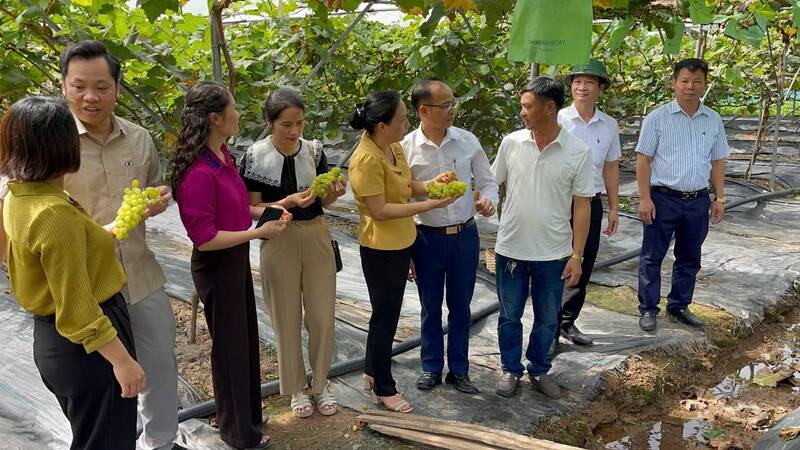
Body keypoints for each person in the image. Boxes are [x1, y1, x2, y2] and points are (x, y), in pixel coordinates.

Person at [1, 96, 145, 449]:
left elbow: (66, 252)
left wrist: (113, 227)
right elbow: (78, 310)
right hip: (87, 348)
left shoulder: (18, 198)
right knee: (108, 441)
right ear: (63, 146)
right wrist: (123, 361)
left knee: (94, 437)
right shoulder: (53, 212)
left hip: (55, 344)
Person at [57, 40, 181, 450]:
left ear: (117, 88)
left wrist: (156, 200)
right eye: (79, 86)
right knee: (102, 384)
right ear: (63, 87)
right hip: (88, 288)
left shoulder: (139, 139)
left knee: (160, 368)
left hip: (140, 276)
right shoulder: (52, 144)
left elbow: (148, 192)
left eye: (101, 86)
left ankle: (160, 442)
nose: (90, 97)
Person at [171, 81, 286, 450]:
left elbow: (238, 210)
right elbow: (205, 238)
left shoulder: (222, 157)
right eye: (233, 108)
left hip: (233, 259)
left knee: (244, 340)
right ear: (216, 118)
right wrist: (258, 234)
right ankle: (238, 433)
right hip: (216, 265)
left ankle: (245, 417)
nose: (239, 114)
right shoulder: (198, 173)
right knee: (231, 346)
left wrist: (276, 209)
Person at [240, 87, 345, 418]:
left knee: (321, 315)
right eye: (286, 124)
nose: (294, 131)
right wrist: (284, 203)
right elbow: (250, 208)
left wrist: (333, 194)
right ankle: (296, 388)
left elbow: (323, 202)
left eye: (300, 123)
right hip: (277, 237)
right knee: (285, 316)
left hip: (315, 235)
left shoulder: (313, 152)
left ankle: (320, 383)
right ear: (269, 122)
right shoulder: (255, 156)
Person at [348, 90, 454, 413]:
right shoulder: (365, 159)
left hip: (402, 241)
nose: (408, 122)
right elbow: (379, 210)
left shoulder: (393, 148)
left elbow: (406, 188)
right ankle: (384, 386)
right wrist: (430, 205)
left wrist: (433, 185)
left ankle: (371, 370)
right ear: (382, 125)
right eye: (402, 118)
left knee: (386, 313)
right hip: (380, 248)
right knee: (386, 317)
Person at [491, 77, 594, 399]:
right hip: (511, 249)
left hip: (553, 253)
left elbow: (582, 205)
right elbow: (494, 185)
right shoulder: (511, 143)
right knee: (509, 315)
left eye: (527, 106)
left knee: (548, 317)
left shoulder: (577, 150)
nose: (522, 111)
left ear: (549, 108)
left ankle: (538, 369)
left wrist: (577, 256)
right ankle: (510, 368)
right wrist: (487, 208)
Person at [401, 78, 498, 394]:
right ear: (424, 110)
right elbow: (401, 198)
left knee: (461, 306)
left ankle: (459, 369)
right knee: (430, 306)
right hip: (426, 237)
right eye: (445, 105)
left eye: (453, 103)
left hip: (464, 236)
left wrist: (486, 201)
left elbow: (488, 182)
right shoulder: (405, 149)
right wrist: (408, 251)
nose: (451, 110)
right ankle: (431, 367)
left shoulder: (467, 141)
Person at [635, 58, 728, 332]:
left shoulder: (713, 119)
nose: (690, 87)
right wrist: (644, 198)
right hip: (663, 198)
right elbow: (643, 160)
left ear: (704, 85)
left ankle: (679, 306)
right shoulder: (657, 118)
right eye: (685, 81)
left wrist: (719, 198)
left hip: (697, 200)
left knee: (689, 257)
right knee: (652, 256)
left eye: (697, 82)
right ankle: (648, 309)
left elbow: (718, 161)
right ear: (674, 83)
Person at [556, 59, 621, 347]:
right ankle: (548, 322)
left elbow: (610, 166)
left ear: (600, 88)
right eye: (577, 82)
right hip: (558, 200)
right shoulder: (557, 120)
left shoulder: (608, 125)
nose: (582, 87)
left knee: (583, 258)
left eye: (589, 82)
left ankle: (567, 322)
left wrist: (614, 206)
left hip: (591, 201)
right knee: (554, 259)